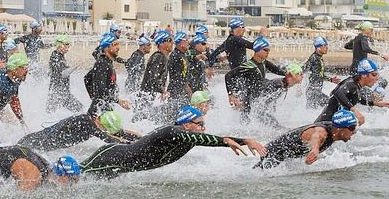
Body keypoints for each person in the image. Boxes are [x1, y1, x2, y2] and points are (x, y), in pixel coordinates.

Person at [80, 106, 266, 179]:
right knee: (76, 175)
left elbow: (198, 139)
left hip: (120, 166)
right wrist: (232, 141)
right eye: (200, 124)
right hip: (111, 157)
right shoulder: (173, 132)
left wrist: (240, 140)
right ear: (186, 124)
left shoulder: (187, 138)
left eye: (204, 124)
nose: (203, 127)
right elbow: (199, 138)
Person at [225, 37, 304, 127]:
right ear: (258, 49)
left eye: (269, 50)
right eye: (266, 50)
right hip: (249, 101)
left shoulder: (263, 62)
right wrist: (231, 95)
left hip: (259, 99)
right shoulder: (248, 65)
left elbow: (276, 70)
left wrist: (289, 74)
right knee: (246, 126)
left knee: (269, 122)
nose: (268, 52)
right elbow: (228, 76)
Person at [256, 109, 359, 168]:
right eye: (352, 128)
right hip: (272, 153)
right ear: (339, 129)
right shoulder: (322, 132)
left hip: (283, 156)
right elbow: (316, 136)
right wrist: (315, 149)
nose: (354, 132)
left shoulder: (333, 129)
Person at [0, 146, 81, 192]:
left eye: (75, 180)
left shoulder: (45, 167)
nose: (72, 184)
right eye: (71, 180)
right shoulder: (34, 176)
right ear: (60, 174)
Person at [315, 58, 389, 124]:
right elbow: (337, 93)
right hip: (323, 125)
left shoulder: (357, 85)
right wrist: (355, 111)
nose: (376, 78)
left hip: (332, 124)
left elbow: (358, 98)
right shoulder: (351, 84)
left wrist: (376, 103)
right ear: (363, 75)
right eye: (374, 75)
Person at [18, 111, 139, 151]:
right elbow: (109, 139)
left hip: (37, 145)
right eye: (106, 129)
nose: (105, 131)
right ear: (102, 123)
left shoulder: (91, 121)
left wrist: (141, 138)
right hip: (32, 143)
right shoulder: (87, 123)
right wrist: (133, 145)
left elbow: (118, 134)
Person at [84, 33, 131, 116]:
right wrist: (118, 101)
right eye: (114, 44)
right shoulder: (102, 63)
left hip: (103, 108)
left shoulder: (106, 62)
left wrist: (94, 97)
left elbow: (87, 78)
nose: (118, 47)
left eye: (118, 44)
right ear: (107, 47)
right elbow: (101, 90)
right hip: (99, 112)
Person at [137, 30, 172, 111]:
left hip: (150, 96)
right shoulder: (158, 57)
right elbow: (153, 78)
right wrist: (163, 91)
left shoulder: (163, 57)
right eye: (169, 40)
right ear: (161, 43)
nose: (172, 42)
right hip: (147, 97)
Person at [47, 35, 83, 113]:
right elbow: (62, 74)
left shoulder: (59, 56)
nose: (68, 48)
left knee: (51, 114)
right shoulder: (55, 56)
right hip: (59, 93)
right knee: (80, 110)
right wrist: (75, 66)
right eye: (66, 45)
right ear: (60, 45)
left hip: (61, 92)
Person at [303, 37, 342, 108]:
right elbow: (317, 75)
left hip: (313, 91)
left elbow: (306, 70)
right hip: (314, 92)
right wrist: (330, 79)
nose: (327, 47)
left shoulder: (316, 57)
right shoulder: (316, 59)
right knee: (332, 105)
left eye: (327, 45)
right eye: (324, 46)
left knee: (312, 113)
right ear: (318, 48)